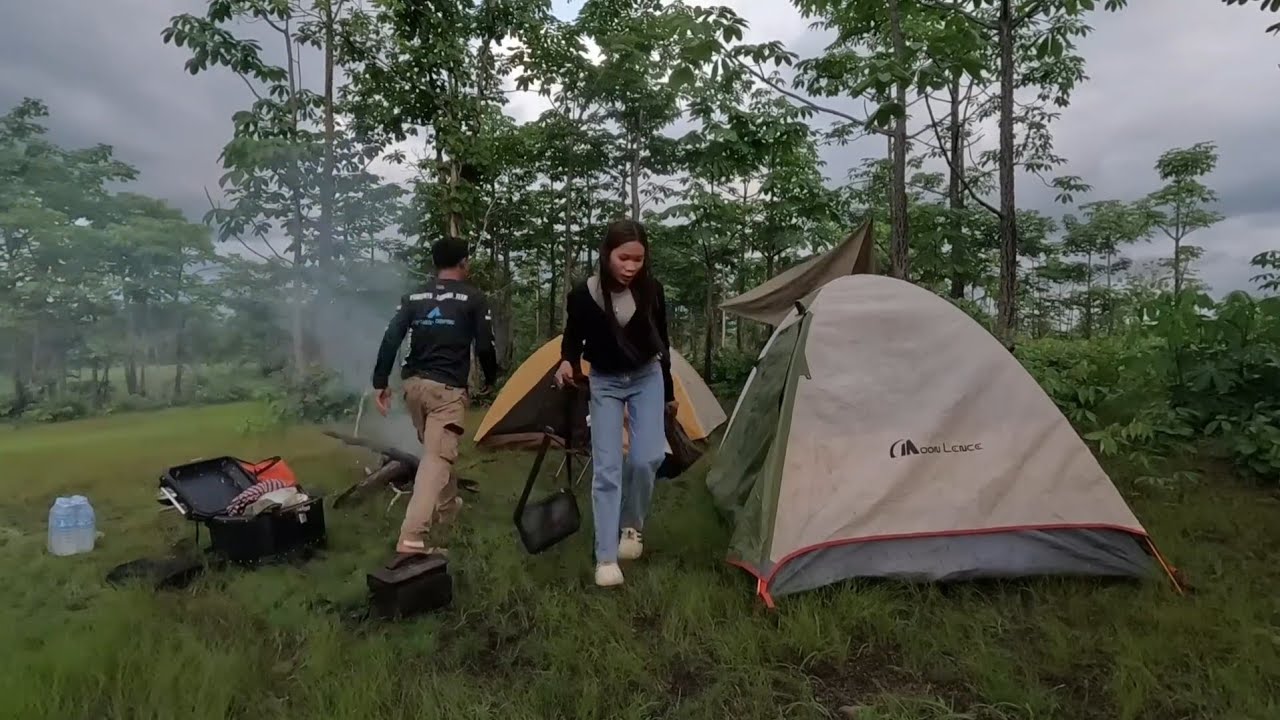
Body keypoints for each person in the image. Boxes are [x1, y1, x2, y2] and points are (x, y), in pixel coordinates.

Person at [555, 219, 677, 588]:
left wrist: (669, 393)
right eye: (624, 258)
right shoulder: (584, 294)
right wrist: (567, 362)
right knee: (607, 469)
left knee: (647, 458)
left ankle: (631, 526)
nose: (631, 266)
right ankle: (605, 556)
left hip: (647, 377)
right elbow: (572, 338)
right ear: (607, 254)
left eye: (638, 259)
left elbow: (662, 342)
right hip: (605, 382)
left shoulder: (652, 291)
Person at [370, 236, 498, 557]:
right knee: (436, 458)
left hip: (413, 388)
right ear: (464, 263)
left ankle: (448, 508)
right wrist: (492, 378)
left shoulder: (414, 296)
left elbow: (390, 338)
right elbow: (485, 345)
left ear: (435, 263)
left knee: (437, 450)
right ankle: (412, 538)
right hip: (446, 390)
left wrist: (380, 382)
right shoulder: (473, 298)